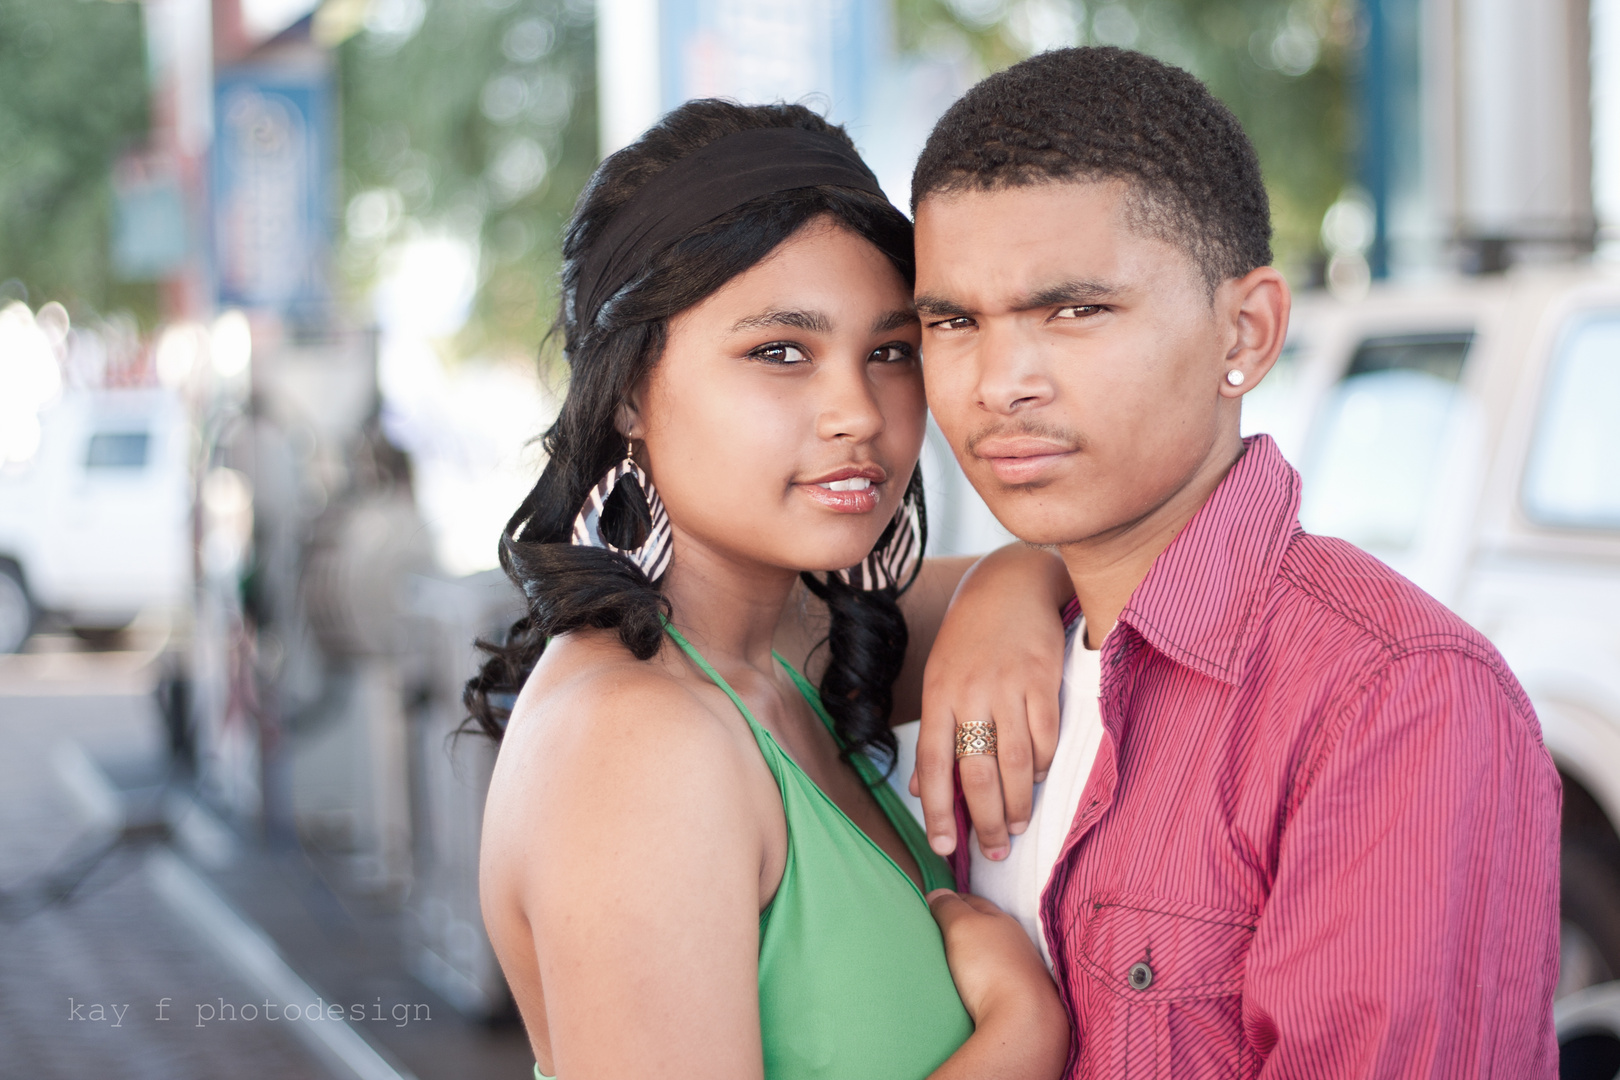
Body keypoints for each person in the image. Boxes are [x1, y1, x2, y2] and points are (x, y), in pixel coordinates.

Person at [908, 47, 1562, 1076]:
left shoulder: (1393, 699)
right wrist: (1010, 574)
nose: (1000, 382)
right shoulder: (990, 654)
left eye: (1074, 310)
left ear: (1246, 333)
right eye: (953, 321)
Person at [468, 99, 1072, 1080]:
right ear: (627, 388)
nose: (857, 413)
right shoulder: (641, 746)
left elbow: (1076, 564)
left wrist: (1019, 574)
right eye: (780, 352)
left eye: (889, 351)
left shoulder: (801, 639)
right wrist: (1021, 1040)